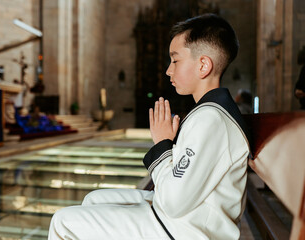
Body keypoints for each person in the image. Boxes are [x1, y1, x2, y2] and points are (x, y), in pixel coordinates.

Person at [48, 13, 251, 240]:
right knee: (92, 199)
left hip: (188, 230)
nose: (168, 70)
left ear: (203, 65)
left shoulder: (211, 119)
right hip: (187, 218)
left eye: (175, 60)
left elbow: (174, 202)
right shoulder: (208, 113)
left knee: (62, 222)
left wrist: (163, 145)